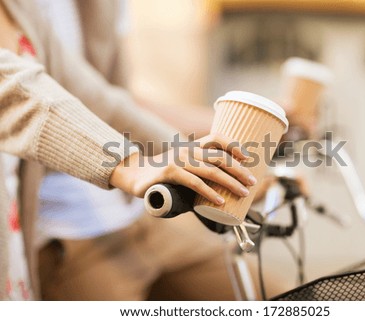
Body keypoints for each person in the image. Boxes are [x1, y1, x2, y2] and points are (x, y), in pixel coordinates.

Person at [0, 0, 290, 300]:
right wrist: (129, 163)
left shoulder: (24, 10)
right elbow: (18, 94)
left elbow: (101, 99)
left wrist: (210, 166)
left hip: (131, 214)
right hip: (67, 233)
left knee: (279, 298)